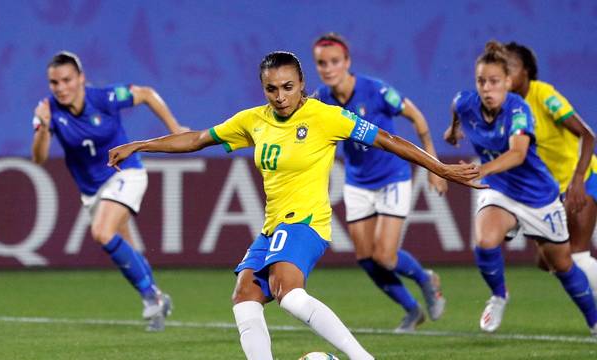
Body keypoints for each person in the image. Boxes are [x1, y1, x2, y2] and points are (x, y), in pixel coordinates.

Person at [108, 51, 483, 359]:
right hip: (273, 227)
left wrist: (440, 168)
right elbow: (196, 140)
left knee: (288, 293)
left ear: (302, 85)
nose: (280, 96)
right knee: (244, 297)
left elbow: (387, 139)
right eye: (271, 89)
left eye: (288, 87)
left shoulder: (324, 116)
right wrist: (140, 145)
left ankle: (362, 357)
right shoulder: (252, 121)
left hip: (306, 222)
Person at [444, 40, 597, 335]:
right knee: (485, 241)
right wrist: (453, 131)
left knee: (562, 264)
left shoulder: (520, 108)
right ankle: (499, 296)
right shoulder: (465, 103)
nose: (487, 88)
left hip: (538, 195)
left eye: (495, 81)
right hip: (500, 189)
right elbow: (457, 108)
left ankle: (593, 321)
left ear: (509, 81)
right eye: (481, 81)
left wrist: (481, 169)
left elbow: (518, 154)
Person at [31, 51, 186, 331]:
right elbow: (39, 158)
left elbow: (148, 94)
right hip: (92, 192)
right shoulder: (48, 111)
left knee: (102, 232)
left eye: (67, 80)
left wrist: (175, 129)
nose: (61, 88)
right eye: (54, 83)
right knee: (128, 250)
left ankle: (152, 299)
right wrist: (42, 127)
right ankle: (156, 298)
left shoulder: (103, 98)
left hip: (125, 173)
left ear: (81, 79)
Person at [312, 32, 447, 332]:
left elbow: (418, 119)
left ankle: (426, 279)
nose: (328, 68)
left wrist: (434, 167)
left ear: (347, 62)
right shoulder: (321, 98)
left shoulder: (377, 90)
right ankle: (412, 311)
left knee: (385, 255)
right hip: (358, 181)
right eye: (321, 63)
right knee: (365, 258)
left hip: (392, 176)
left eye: (334, 61)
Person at [504, 41, 597, 303]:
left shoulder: (544, 95)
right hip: (553, 191)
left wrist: (578, 181)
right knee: (547, 261)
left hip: (584, 179)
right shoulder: (507, 107)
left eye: (512, 65)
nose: (506, 72)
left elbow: (588, 136)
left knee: (576, 255)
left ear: (527, 71)